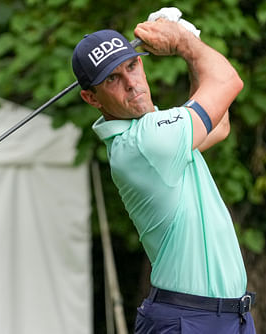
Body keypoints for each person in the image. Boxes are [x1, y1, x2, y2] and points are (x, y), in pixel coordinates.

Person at [72, 14, 256, 334]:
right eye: (112, 79)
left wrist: (188, 42)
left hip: (225, 316)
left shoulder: (156, 133)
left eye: (131, 66)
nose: (131, 83)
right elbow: (228, 81)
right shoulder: (147, 141)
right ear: (91, 98)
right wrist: (185, 43)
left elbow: (220, 123)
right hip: (189, 319)